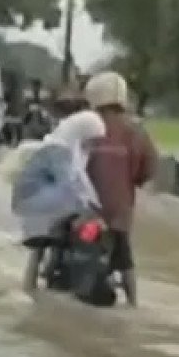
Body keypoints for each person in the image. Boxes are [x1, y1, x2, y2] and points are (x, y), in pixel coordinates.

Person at [10, 109, 107, 292]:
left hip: (56, 202)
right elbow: (68, 183)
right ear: (82, 132)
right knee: (39, 247)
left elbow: (81, 182)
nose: (94, 145)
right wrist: (85, 207)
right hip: (40, 204)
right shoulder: (58, 150)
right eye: (93, 140)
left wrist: (94, 205)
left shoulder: (76, 150)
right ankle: (29, 287)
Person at [83, 71, 157, 307]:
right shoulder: (137, 131)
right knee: (124, 258)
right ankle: (133, 304)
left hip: (83, 206)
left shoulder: (85, 125)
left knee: (54, 238)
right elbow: (148, 169)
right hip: (118, 210)